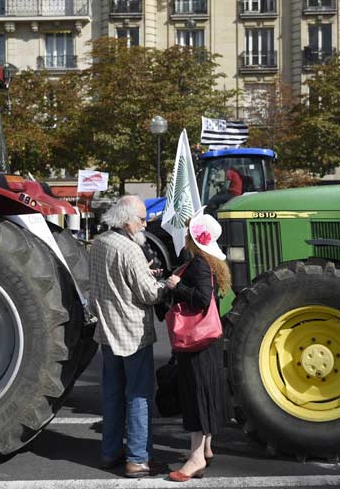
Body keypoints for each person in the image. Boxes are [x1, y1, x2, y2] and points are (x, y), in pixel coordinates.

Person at [89, 195, 167, 478]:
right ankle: (137, 459)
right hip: (133, 333)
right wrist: (166, 284)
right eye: (141, 219)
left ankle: (110, 452)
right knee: (139, 396)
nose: (144, 224)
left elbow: (106, 282)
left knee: (112, 394)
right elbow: (148, 293)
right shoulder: (131, 250)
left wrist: (143, 275)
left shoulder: (99, 243)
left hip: (107, 332)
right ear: (125, 220)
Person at [162, 212, 230, 482]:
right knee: (206, 392)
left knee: (196, 397)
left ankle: (196, 457)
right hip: (207, 340)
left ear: (192, 238)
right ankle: (206, 449)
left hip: (196, 342)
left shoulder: (199, 264)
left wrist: (176, 286)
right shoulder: (209, 262)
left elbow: (201, 299)